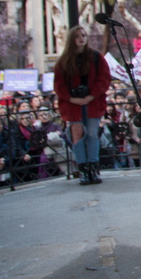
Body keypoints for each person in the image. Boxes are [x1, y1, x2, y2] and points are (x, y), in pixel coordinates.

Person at [53, 26, 112, 185]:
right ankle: (83, 169)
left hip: (92, 103)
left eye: (84, 35)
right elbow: (59, 85)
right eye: (78, 36)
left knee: (93, 134)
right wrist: (72, 99)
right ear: (72, 39)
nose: (81, 38)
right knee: (77, 136)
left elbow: (104, 78)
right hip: (73, 105)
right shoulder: (64, 61)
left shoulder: (95, 57)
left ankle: (93, 167)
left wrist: (91, 95)